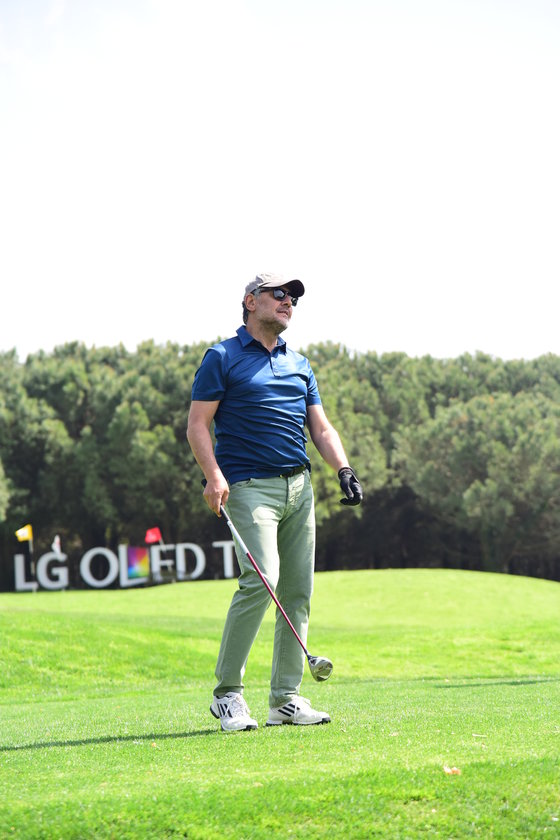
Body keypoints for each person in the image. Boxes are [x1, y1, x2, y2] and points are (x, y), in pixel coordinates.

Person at [187, 272, 363, 732]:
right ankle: (227, 694)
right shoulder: (222, 357)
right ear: (251, 301)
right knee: (260, 580)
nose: (289, 302)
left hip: (299, 488)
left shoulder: (299, 364)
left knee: (298, 591)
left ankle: (285, 699)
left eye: (294, 299)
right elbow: (198, 425)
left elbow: (320, 428)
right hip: (248, 487)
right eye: (279, 294)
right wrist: (213, 476)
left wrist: (343, 469)